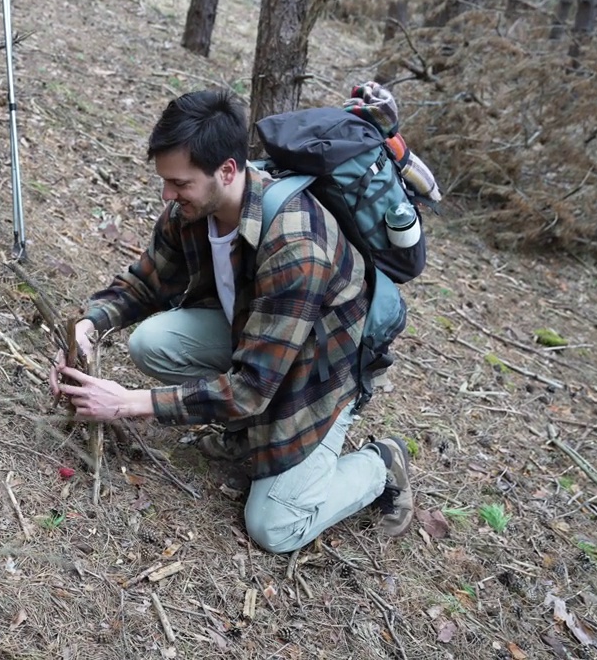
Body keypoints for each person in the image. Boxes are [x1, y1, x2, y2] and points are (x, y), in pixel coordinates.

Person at [49, 89, 415, 554]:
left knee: (274, 526)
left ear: (226, 170)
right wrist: (89, 325)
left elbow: (252, 389)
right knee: (152, 343)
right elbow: (146, 283)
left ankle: (381, 464)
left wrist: (126, 403)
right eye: (166, 181)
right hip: (262, 340)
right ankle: (246, 435)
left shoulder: (296, 248)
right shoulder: (195, 209)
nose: (167, 193)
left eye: (179, 183)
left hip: (319, 380)